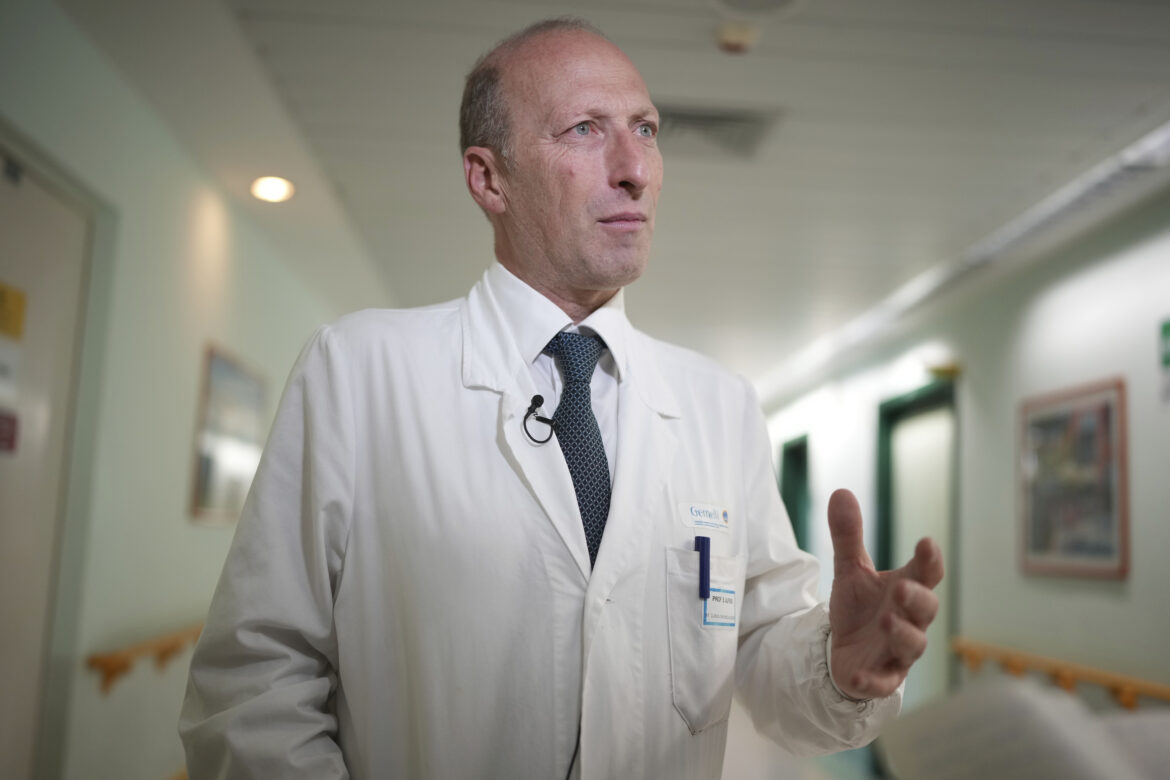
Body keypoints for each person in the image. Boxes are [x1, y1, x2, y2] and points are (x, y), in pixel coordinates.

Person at [179, 17, 943, 780]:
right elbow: (256, 684)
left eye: (645, 129)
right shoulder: (358, 371)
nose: (635, 169)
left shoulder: (721, 407)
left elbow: (762, 650)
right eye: (584, 129)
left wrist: (837, 666)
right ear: (489, 180)